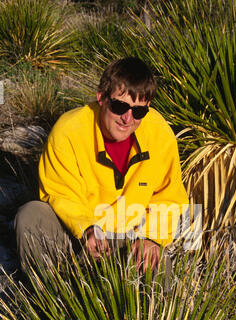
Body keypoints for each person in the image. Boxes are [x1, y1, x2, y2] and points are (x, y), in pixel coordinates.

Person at [15, 57, 189, 278]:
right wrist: (87, 228)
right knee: (31, 215)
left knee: (158, 263)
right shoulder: (69, 131)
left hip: (131, 238)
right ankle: (49, 298)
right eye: (119, 106)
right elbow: (59, 192)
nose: (128, 119)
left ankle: (142, 311)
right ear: (101, 98)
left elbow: (170, 198)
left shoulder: (160, 133)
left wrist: (151, 237)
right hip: (78, 234)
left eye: (139, 112)